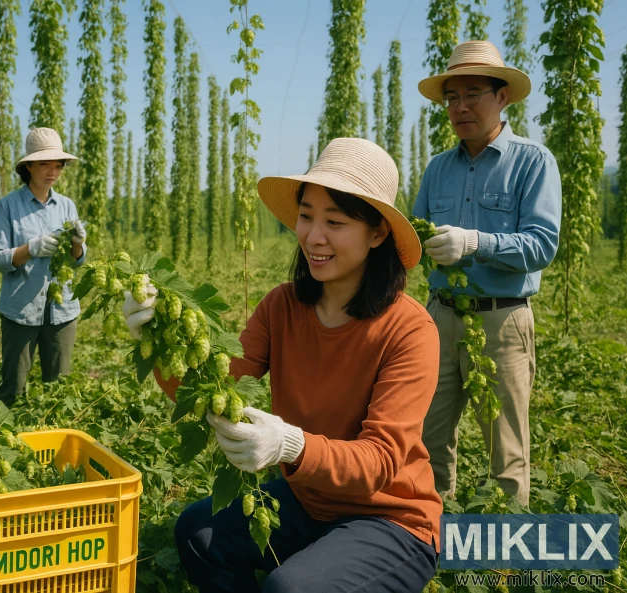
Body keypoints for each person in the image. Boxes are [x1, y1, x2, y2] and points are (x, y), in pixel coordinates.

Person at [124, 138, 441, 592]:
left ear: (377, 234)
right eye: (307, 216)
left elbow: (380, 462)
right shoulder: (282, 306)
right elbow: (220, 387)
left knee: (290, 588)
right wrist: (157, 338)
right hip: (308, 500)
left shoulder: (410, 330)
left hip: (389, 517)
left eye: (334, 221)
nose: (314, 236)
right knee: (198, 534)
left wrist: (291, 445)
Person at [413, 40, 561, 507]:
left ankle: (503, 561)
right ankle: (429, 538)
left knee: (506, 449)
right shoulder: (437, 169)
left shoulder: (533, 163)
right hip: (439, 318)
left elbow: (542, 244)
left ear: (503, 97)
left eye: (473, 93)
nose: (460, 107)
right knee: (427, 437)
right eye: (451, 98)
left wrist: (475, 242)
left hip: (501, 322)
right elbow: (414, 239)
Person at [0, 127, 87, 405]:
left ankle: (54, 441)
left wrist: (78, 244)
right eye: (44, 163)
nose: (52, 171)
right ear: (28, 165)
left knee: (58, 390)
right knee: (13, 389)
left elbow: (76, 261)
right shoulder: (8, 206)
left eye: (58, 165)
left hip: (62, 311)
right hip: (20, 310)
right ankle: (8, 437)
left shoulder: (67, 206)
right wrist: (28, 249)